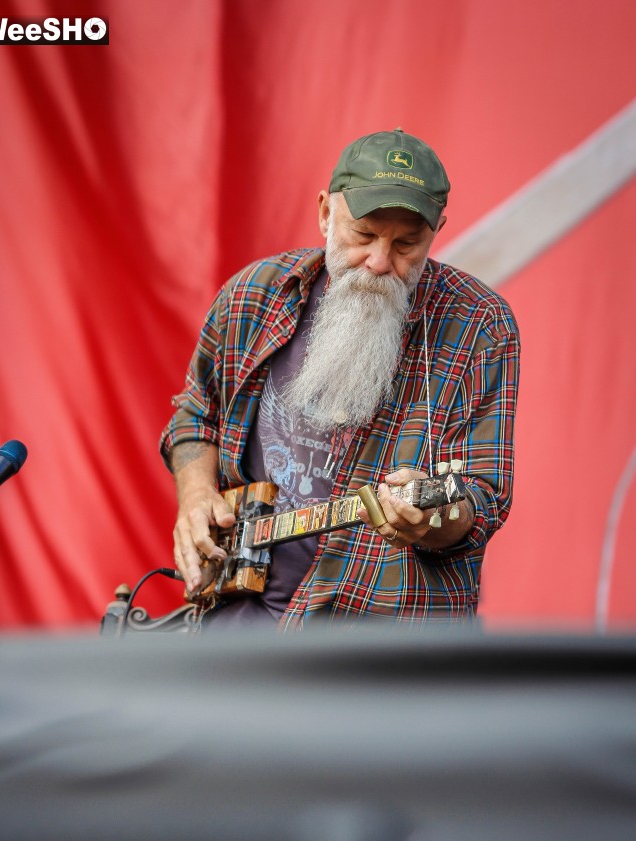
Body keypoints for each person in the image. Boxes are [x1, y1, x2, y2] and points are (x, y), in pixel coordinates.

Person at [159, 127, 520, 631]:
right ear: (326, 213)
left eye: (406, 244)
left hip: (381, 644)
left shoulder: (480, 326)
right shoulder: (253, 295)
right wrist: (196, 494)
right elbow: (196, 415)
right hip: (237, 618)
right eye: (364, 235)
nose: (379, 262)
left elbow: (481, 498)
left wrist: (433, 519)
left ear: (437, 230)